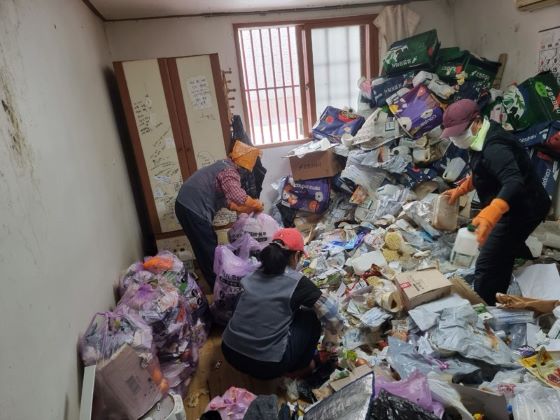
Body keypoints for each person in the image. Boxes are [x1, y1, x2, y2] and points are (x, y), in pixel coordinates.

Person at [440, 99, 551, 305]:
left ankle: (487, 306)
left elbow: (513, 181)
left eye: (459, 133)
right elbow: (484, 168)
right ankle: (515, 254)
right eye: (452, 135)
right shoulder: (479, 137)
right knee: (505, 246)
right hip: (511, 203)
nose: (456, 139)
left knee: (488, 263)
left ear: (476, 121)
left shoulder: (495, 147)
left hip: (525, 207)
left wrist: (493, 212)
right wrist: (463, 188)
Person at [222, 228, 343, 380]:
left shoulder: (252, 274)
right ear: (296, 256)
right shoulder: (298, 283)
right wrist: (329, 345)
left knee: (243, 299)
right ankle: (302, 368)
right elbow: (334, 318)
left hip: (229, 352)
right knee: (310, 317)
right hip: (267, 366)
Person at [175, 141, 264, 288]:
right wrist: (256, 204)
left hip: (186, 205)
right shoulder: (229, 171)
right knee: (208, 249)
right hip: (192, 207)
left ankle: (216, 282)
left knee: (205, 245)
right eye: (247, 169)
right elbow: (238, 196)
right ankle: (219, 288)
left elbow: (230, 203)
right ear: (243, 166)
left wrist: (245, 210)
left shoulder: (224, 165)